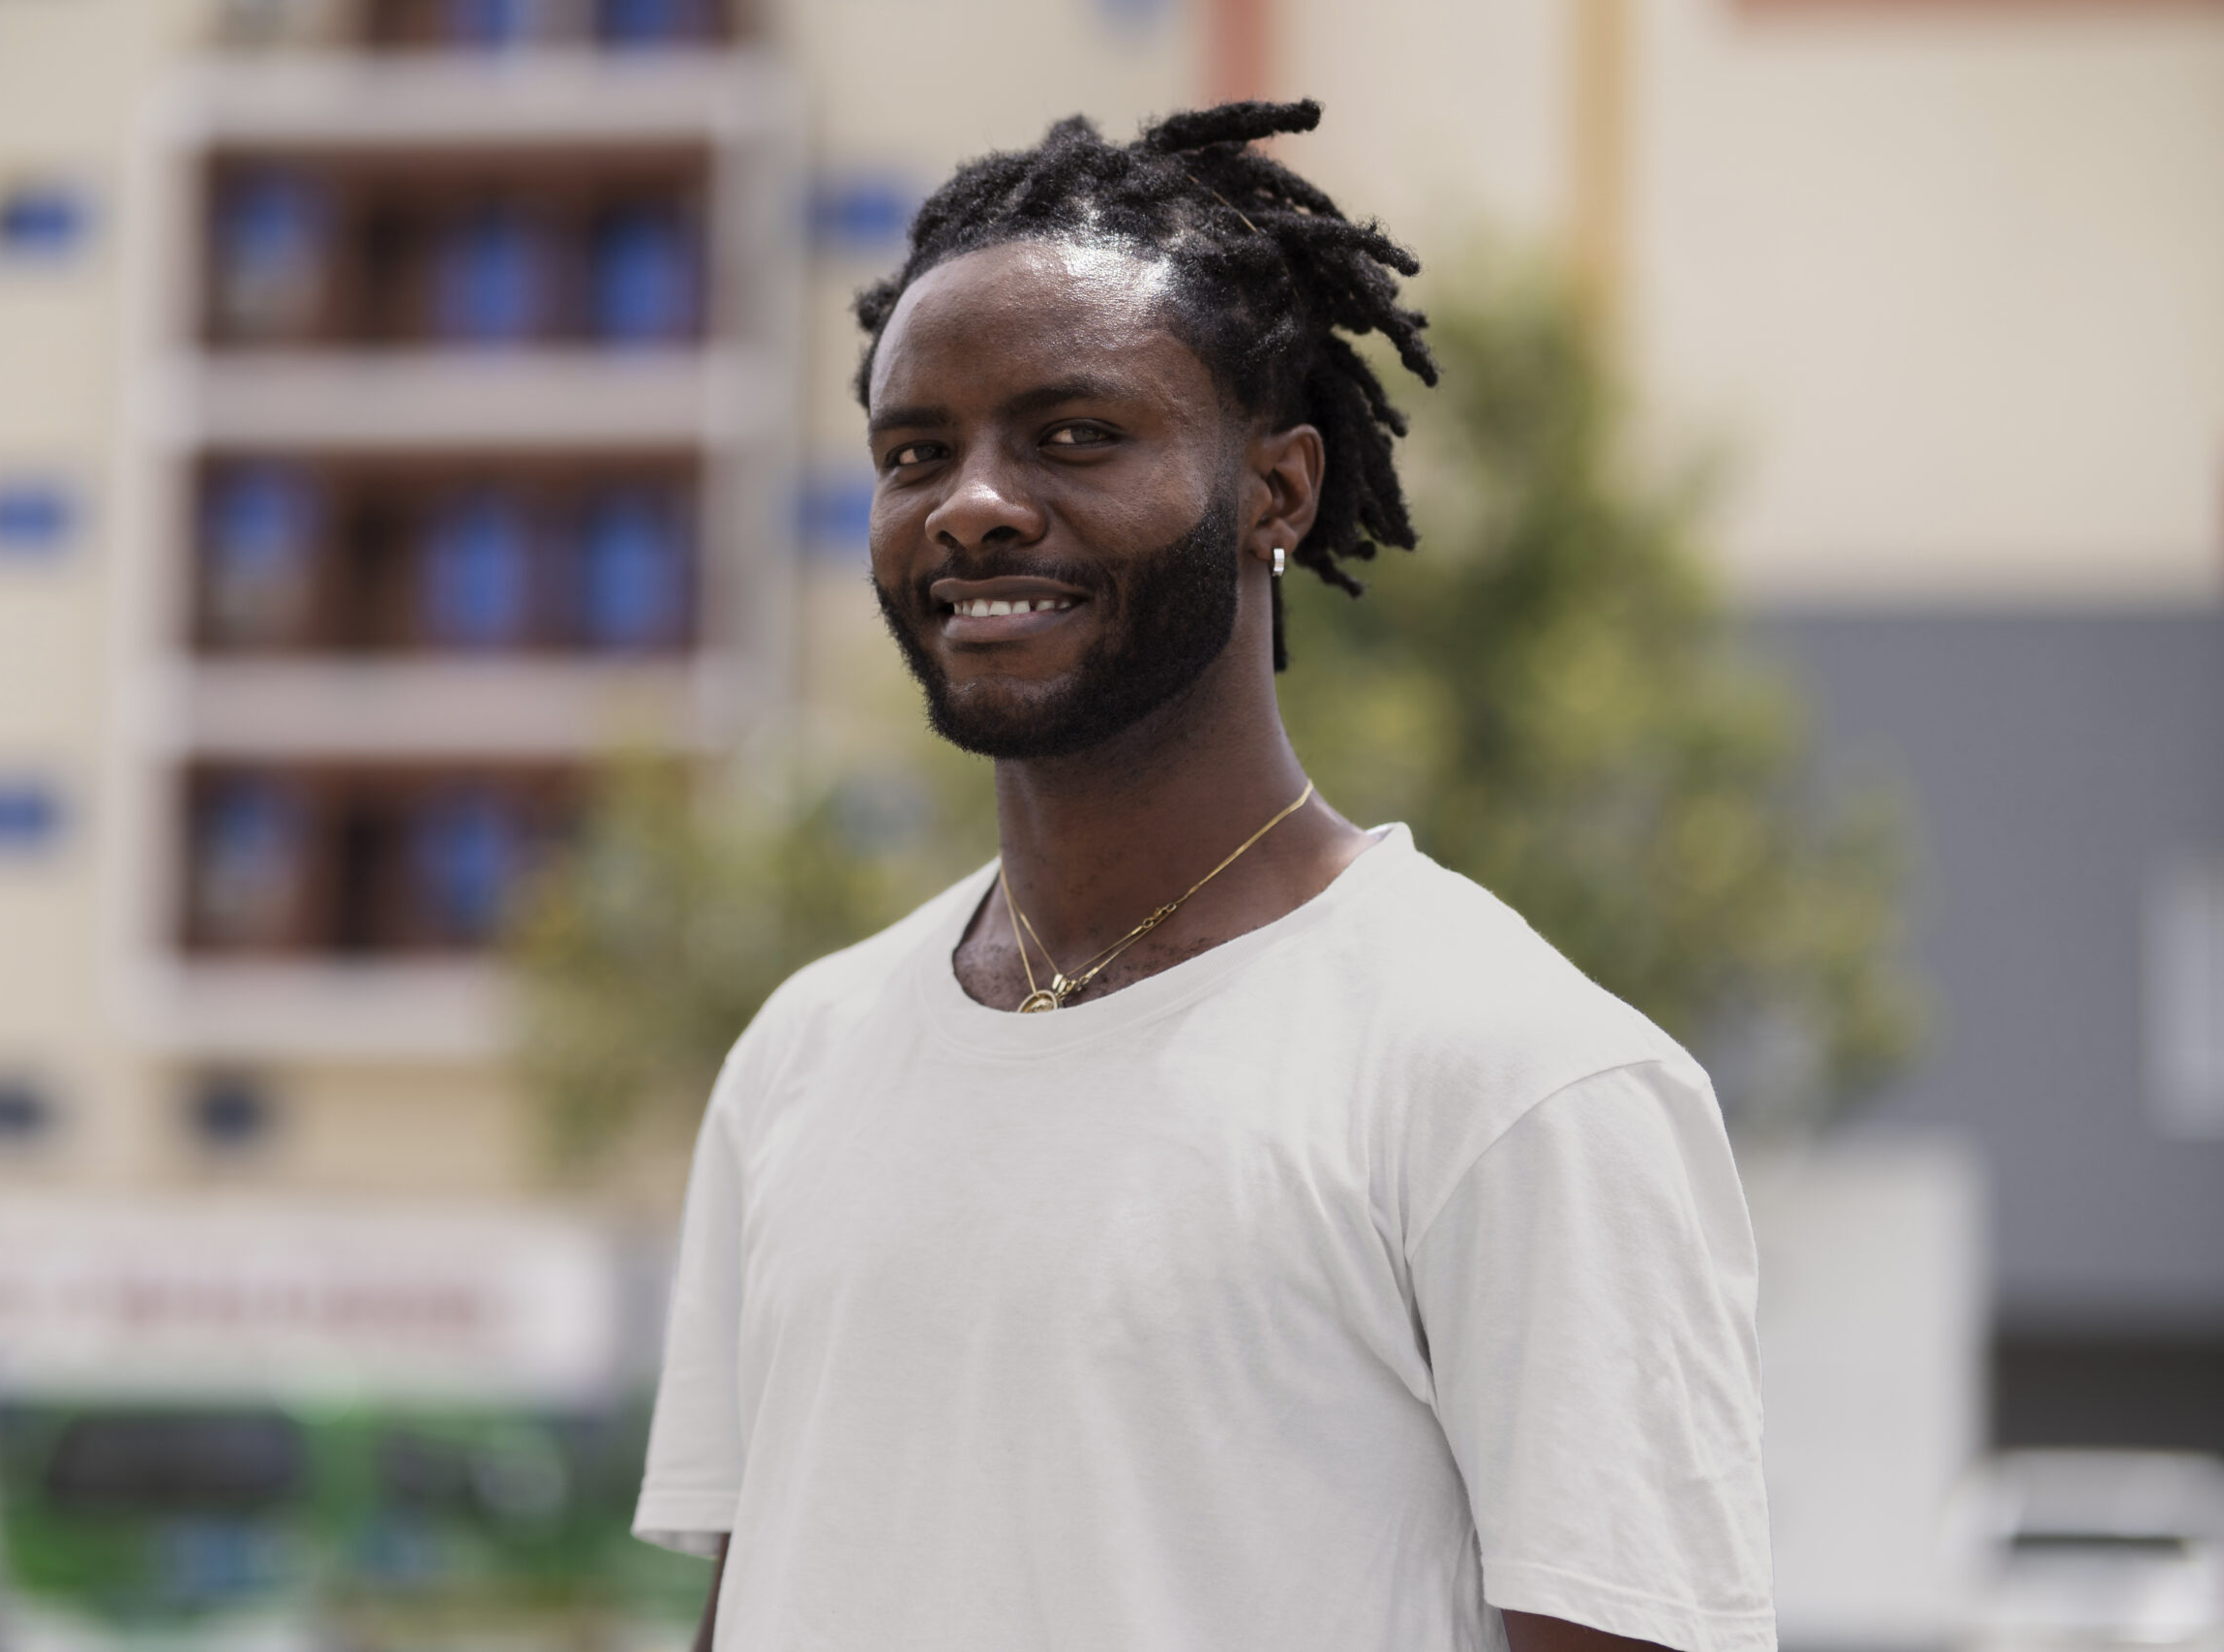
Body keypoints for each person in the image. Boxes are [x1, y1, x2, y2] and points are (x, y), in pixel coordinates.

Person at [635, 100, 1774, 1652]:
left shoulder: (1517, 1078)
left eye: (1074, 434)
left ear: (1278, 491)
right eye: (917, 454)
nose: (971, 501)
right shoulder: (799, 1061)